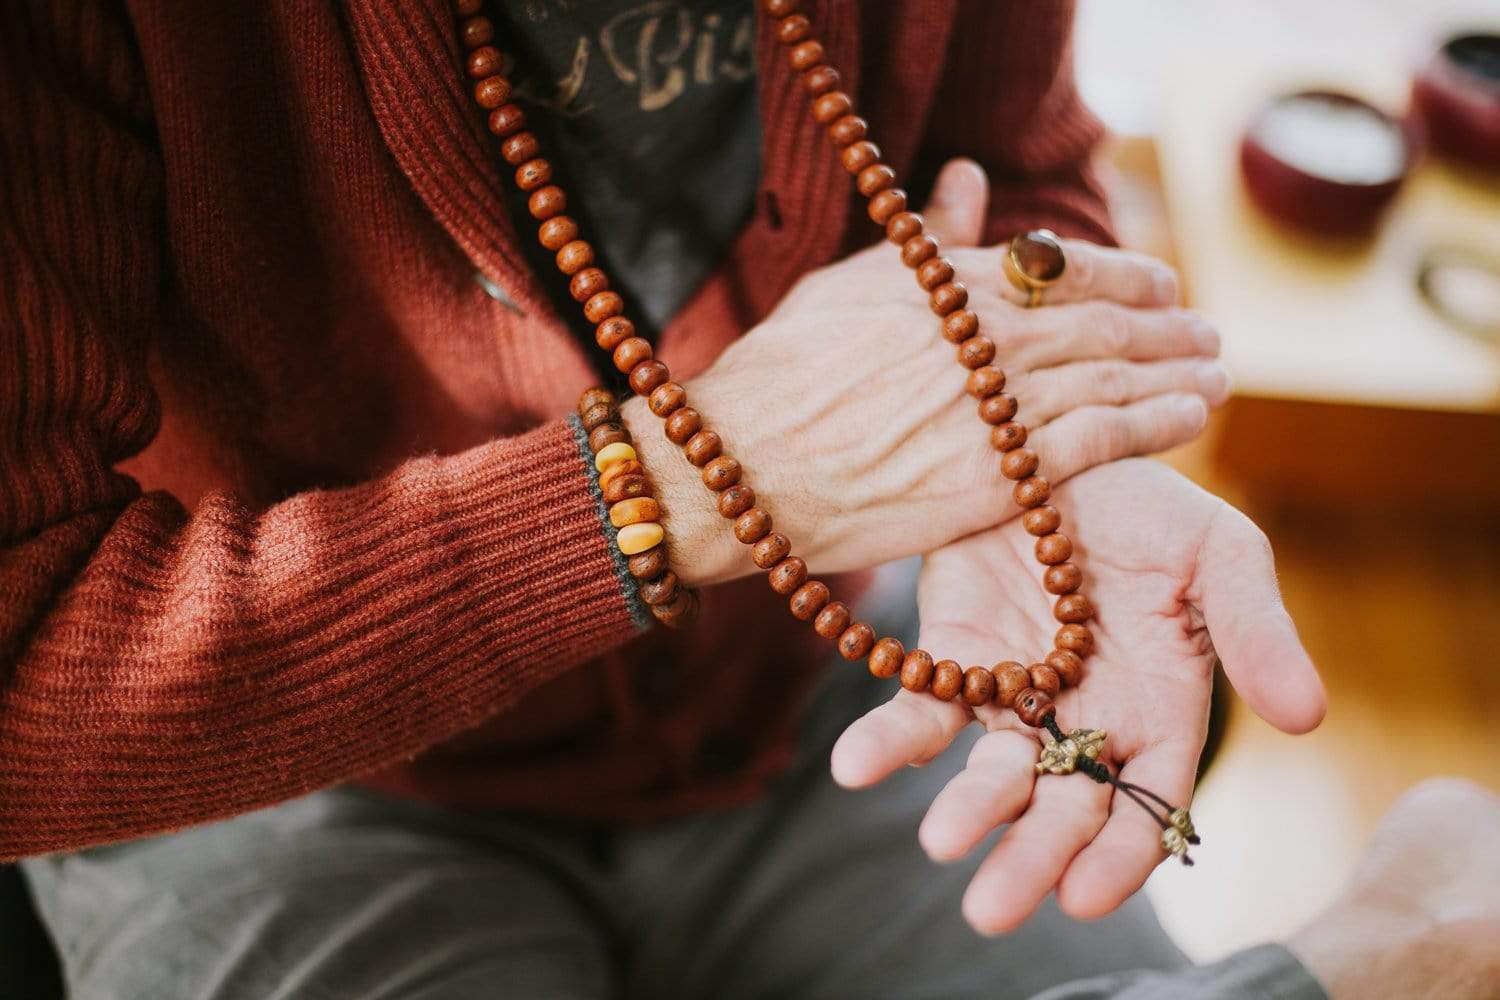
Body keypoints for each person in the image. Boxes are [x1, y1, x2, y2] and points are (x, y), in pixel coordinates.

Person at [5, 1, 1489, 997]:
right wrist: (705, 483)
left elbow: (1014, 163)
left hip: (817, 699)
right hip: (270, 769)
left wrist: (1058, 448)